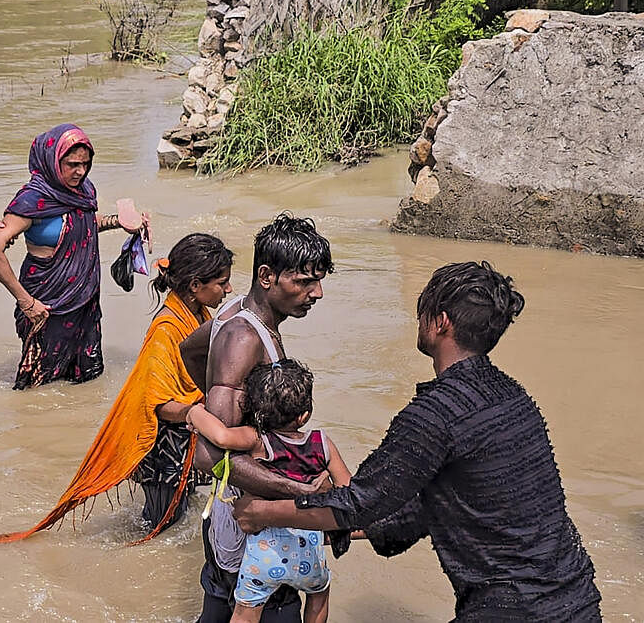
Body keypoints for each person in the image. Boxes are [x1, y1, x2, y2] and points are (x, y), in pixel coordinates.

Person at [232, 261, 602, 621]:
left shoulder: (437, 412)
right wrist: (330, 530)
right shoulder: (511, 397)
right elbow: (430, 508)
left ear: (441, 322)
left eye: (422, 309)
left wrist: (264, 512)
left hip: (513, 607)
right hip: (575, 597)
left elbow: (361, 501)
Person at [0, 233, 234, 546]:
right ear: (195, 285)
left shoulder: (197, 315)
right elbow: (157, 402)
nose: (228, 289)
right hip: (163, 448)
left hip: (185, 441)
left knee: (176, 516)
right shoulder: (166, 330)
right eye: (222, 283)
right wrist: (196, 412)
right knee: (160, 530)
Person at [179, 213, 336, 623]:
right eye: (304, 282)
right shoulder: (244, 337)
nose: (316, 293)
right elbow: (210, 458)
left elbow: (190, 351)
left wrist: (219, 395)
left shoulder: (235, 312)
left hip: (234, 520)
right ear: (266, 276)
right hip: (253, 528)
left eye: (318, 280)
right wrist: (301, 494)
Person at [186, 359, 351, 623]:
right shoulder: (323, 443)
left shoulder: (259, 441)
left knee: (245, 613)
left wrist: (194, 413)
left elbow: (222, 437)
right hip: (309, 551)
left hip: (263, 555)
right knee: (320, 591)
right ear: (305, 415)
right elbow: (348, 493)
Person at [0, 124, 146, 390]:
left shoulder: (84, 190)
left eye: (85, 163)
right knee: (38, 384)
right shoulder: (32, 200)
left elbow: (87, 222)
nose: (80, 171)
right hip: (45, 303)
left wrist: (122, 223)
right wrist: (26, 302)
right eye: (72, 164)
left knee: (86, 380)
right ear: (51, 161)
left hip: (84, 300)